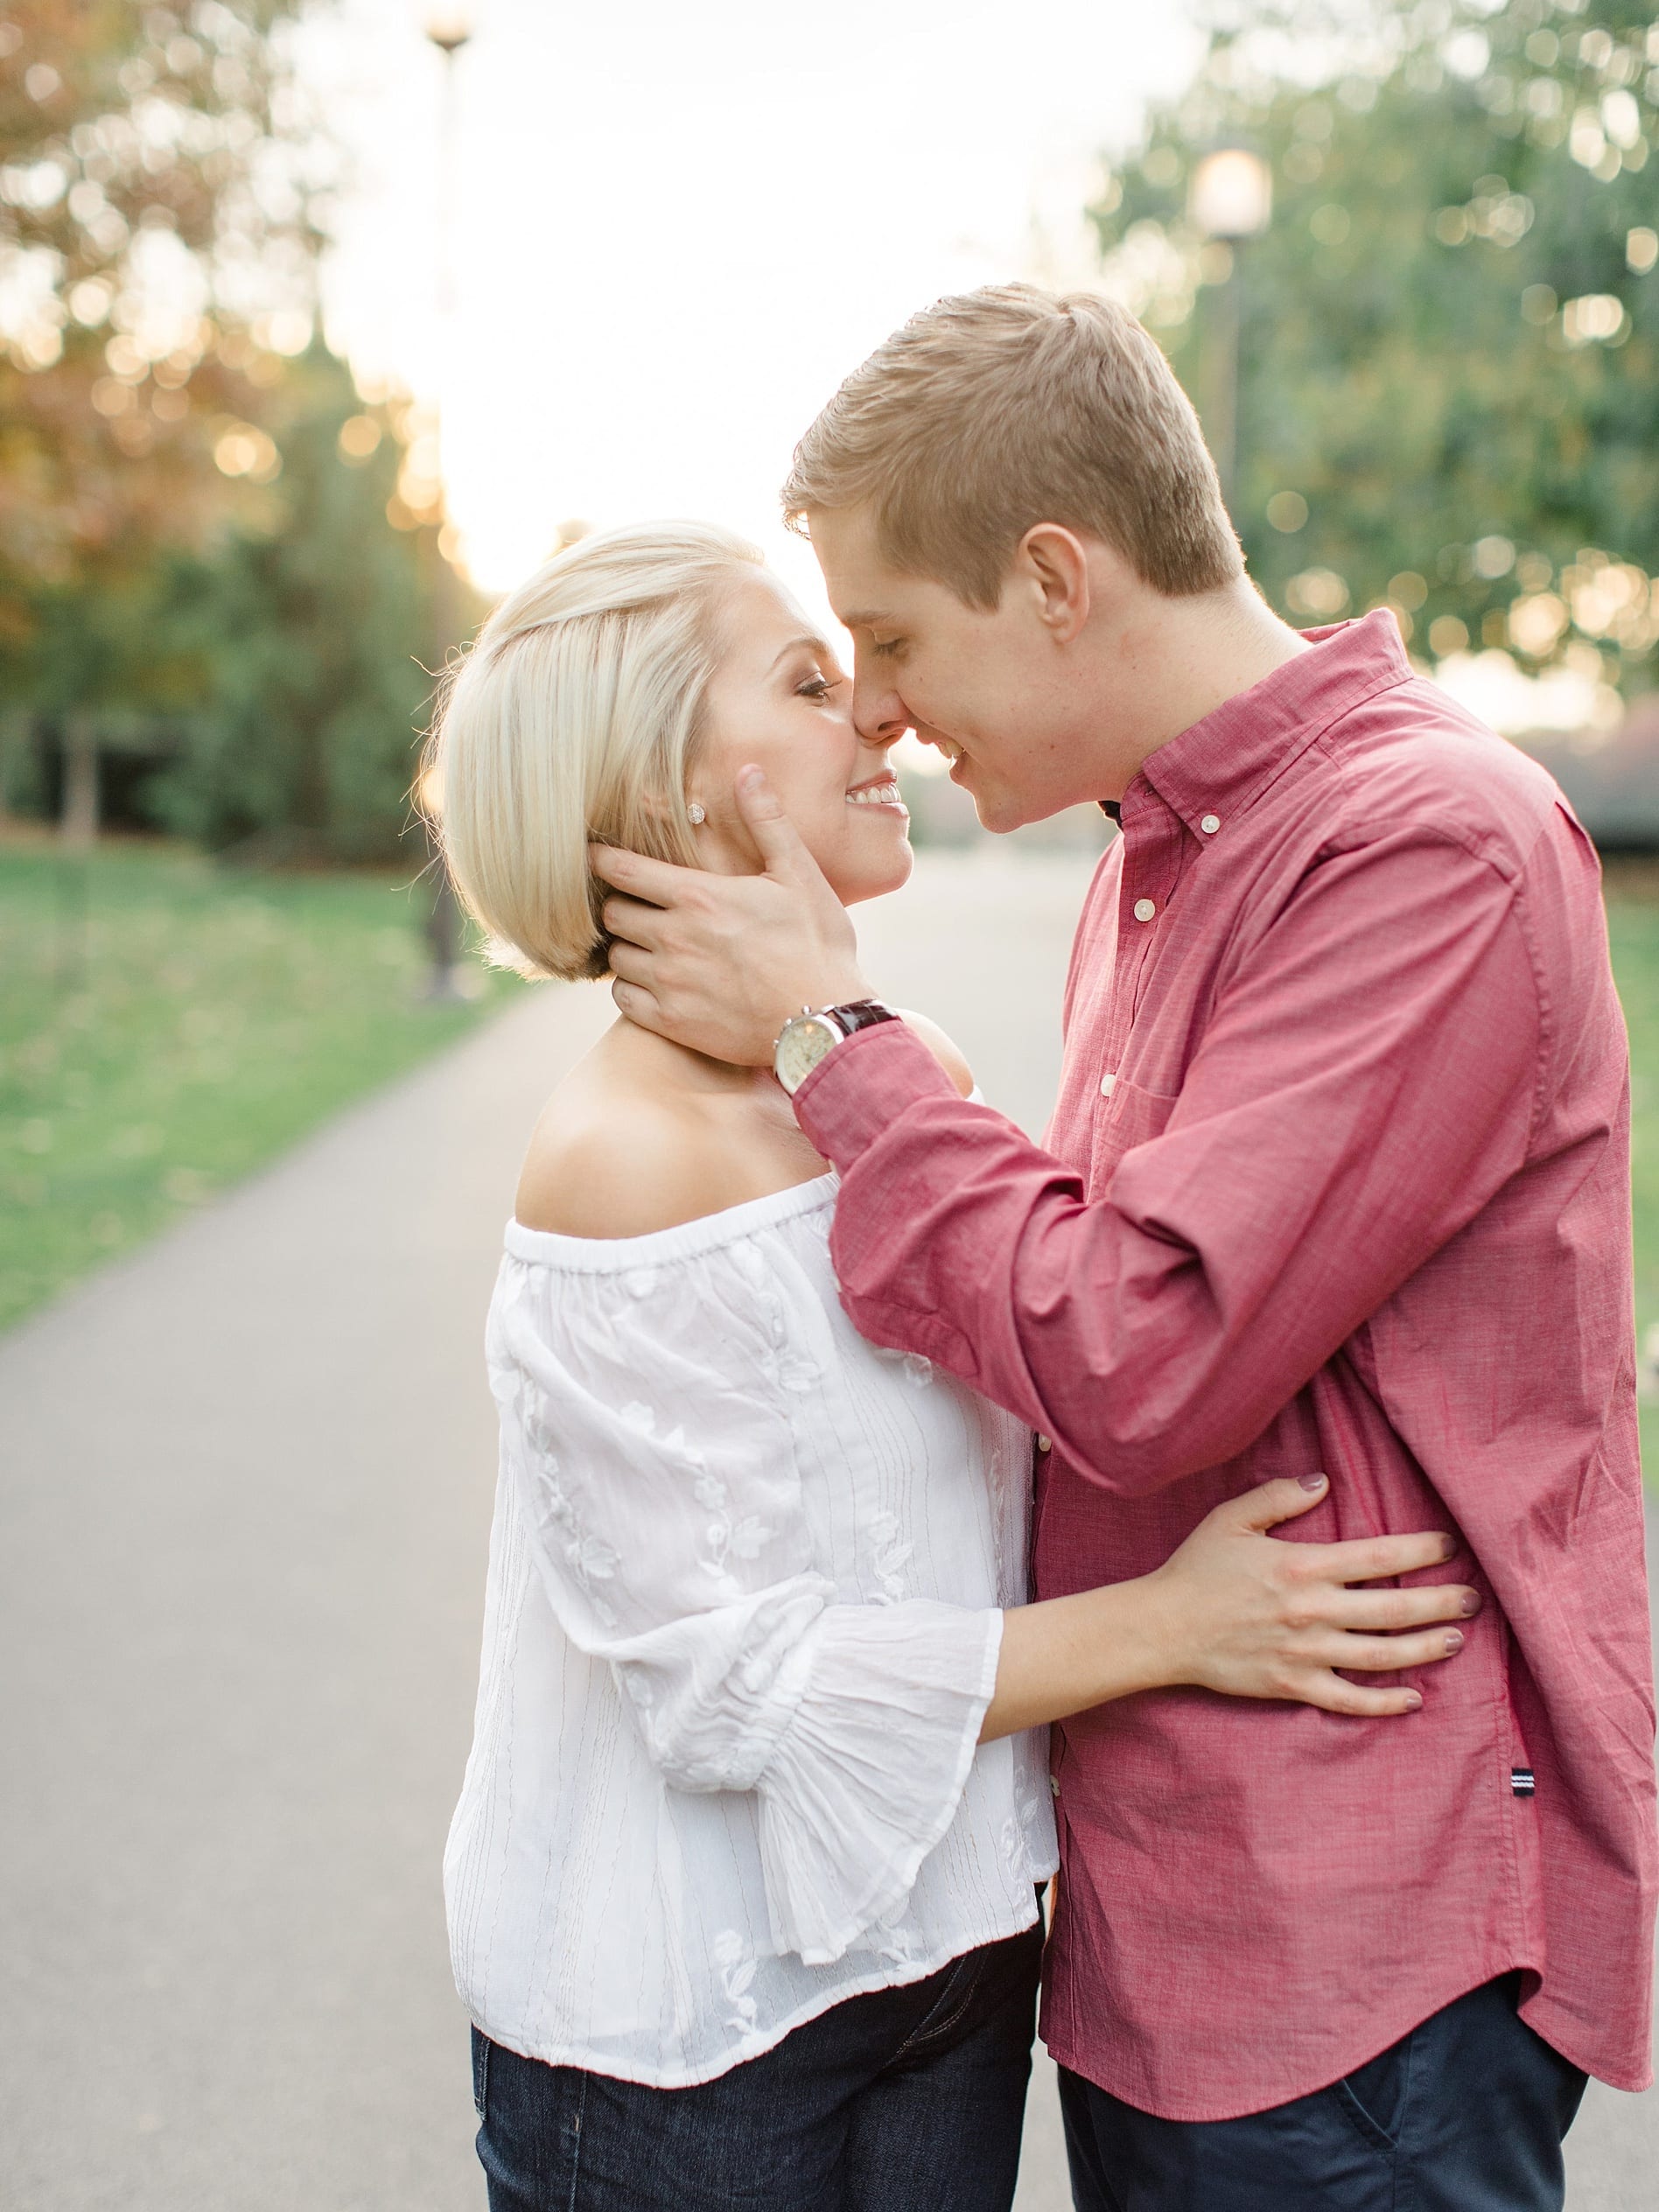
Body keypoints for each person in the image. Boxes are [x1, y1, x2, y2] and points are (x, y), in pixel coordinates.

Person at [590, 287, 1659, 2212]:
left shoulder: (1427, 843)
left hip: (1352, 1948)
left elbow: (1132, 1351)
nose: (886, 709)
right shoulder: (1167, 863)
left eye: (897, 638)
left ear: (1057, 576)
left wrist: (834, 1041)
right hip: (1179, 1912)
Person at [429, 520, 1481, 2212]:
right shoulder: (625, 1165)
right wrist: (1177, 1627)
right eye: (809, 682)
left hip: (953, 1952)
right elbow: (735, 1690)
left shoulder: (899, 1081)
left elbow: (1073, 1347)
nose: (881, 724)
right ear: (668, 784)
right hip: (695, 2028)